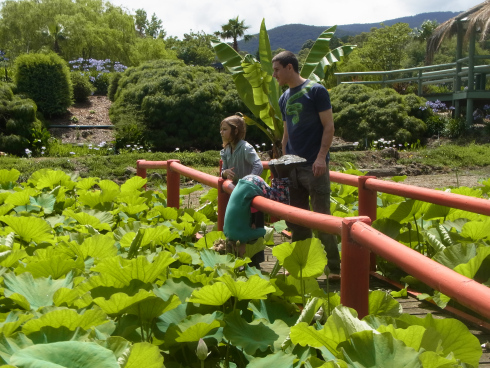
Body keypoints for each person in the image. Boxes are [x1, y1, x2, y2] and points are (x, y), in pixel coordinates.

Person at [272, 50, 341, 275]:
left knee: (323, 220)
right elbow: (286, 134)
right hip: (292, 167)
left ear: (289, 67)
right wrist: (284, 160)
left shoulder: (316, 90)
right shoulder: (283, 98)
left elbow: (329, 126)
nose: (274, 75)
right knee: (296, 220)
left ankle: (334, 268)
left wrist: (321, 158)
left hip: (314, 165)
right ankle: (303, 268)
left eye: (277, 70)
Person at [220, 115, 264, 268]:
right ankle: (238, 262)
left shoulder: (246, 147)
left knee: (253, 227)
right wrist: (225, 173)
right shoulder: (226, 150)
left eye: (225, 129)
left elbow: (258, 166)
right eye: (221, 129)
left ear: (236, 130)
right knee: (238, 228)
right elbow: (222, 170)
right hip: (235, 196)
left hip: (249, 196)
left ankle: (255, 264)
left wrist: (247, 183)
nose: (221, 132)